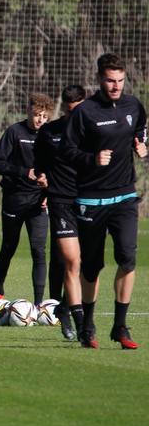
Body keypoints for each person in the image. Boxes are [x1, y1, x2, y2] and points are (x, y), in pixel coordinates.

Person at [59, 53, 147, 350]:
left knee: (127, 258)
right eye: (110, 80)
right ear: (99, 79)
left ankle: (120, 326)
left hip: (124, 196)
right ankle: (87, 325)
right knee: (92, 267)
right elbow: (67, 152)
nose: (116, 86)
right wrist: (92, 158)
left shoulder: (133, 105)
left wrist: (142, 145)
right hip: (91, 200)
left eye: (120, 81)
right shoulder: (85, 112)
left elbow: (139, 131)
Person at [34, 85, 87, 341]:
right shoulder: (49, 132)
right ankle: (80, 324)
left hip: (90, 201)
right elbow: (40, 165)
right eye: (68, 109)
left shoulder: (93, 132)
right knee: (71, 261)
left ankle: (65, 308)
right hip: (60, 200)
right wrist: (42, 178)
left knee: (86, 265)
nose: (72, 114)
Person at [0, 94, 52, 305]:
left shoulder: (52, 136)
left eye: (44, 116)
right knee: (9, 246)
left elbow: (58, 167)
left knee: (39, 250)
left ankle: (38, 304)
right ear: (28, 112)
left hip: (39, 203)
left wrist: (48, 189)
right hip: (14, 199)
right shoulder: (14, 132)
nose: (40, 120)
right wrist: (25, 172)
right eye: (36, 115)